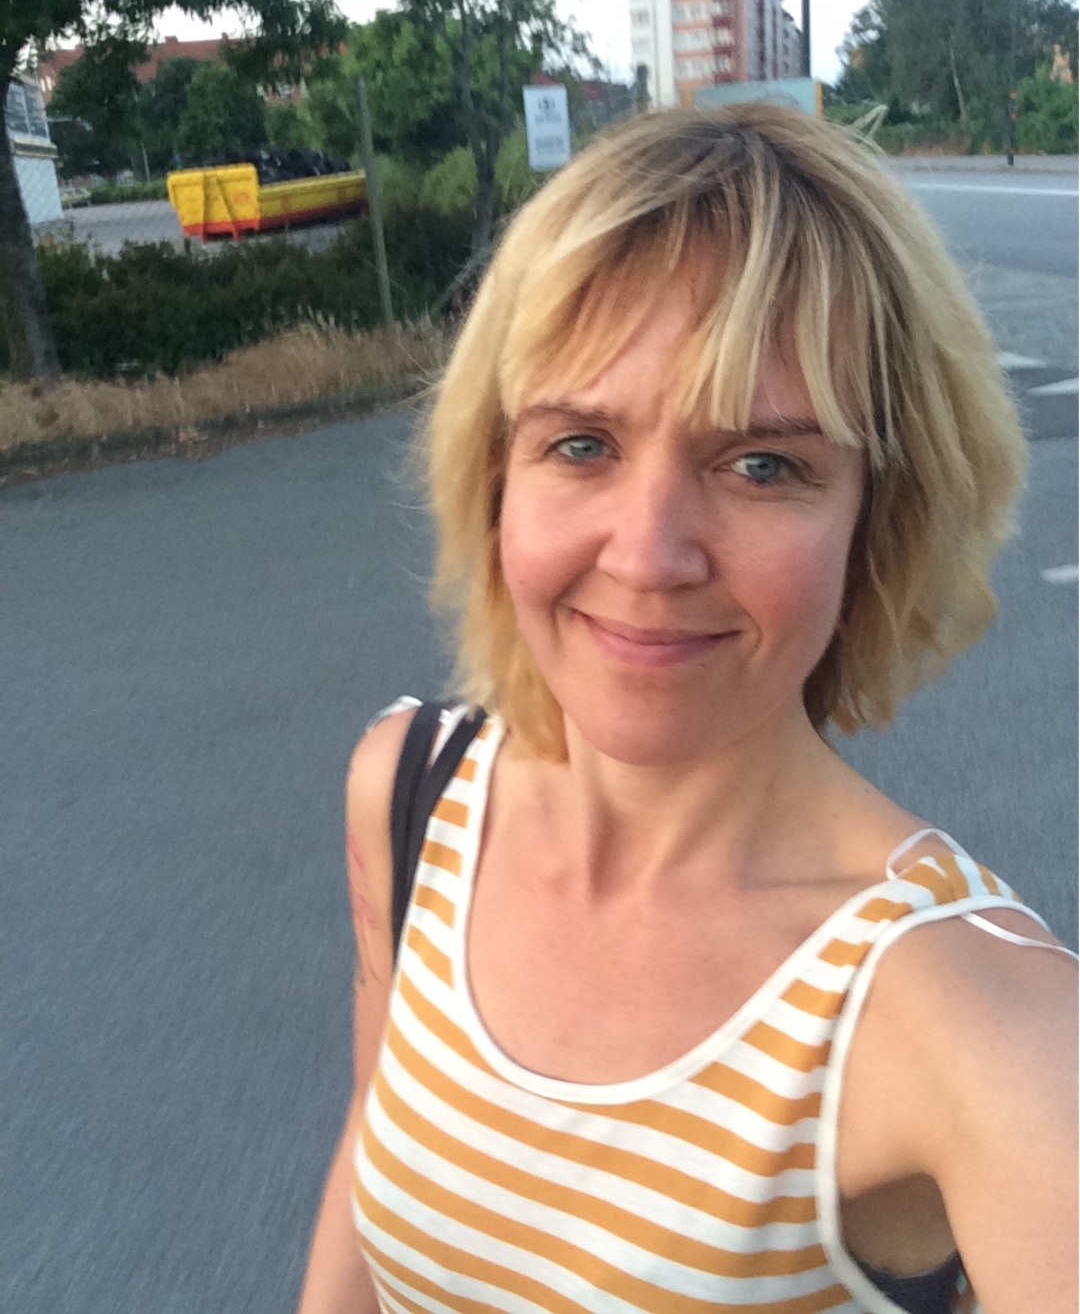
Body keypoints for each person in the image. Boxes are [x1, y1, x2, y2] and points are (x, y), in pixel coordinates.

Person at [297, 103, 1077, 1314]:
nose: (650, 555)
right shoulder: (410, 793)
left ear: (877, 520)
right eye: (582, 444)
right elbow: (369, 1159)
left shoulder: (980, 1018)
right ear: (496, 475)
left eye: (763, 465)